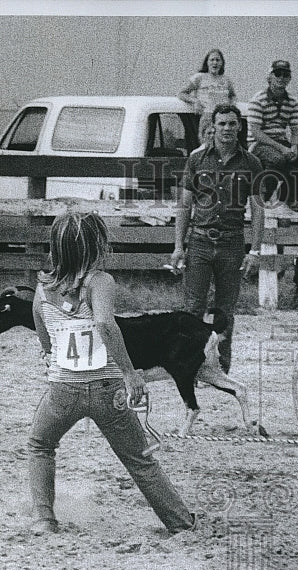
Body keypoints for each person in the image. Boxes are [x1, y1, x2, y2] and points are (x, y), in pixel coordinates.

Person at [29, 211, 196, 537]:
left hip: (63, 389)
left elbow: (44, 333)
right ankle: (181, 523)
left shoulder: (43, 288)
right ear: (95, 246)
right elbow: (105, 324)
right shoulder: (100, 282)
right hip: (108, 390)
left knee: (40, 445)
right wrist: (132, 375)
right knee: (139, 459)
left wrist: (51, 355)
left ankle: (44, 519)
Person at [171, 103, 265, 374]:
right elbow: (185, 205)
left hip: (231, 243)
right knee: (193, 308)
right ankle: (191, 364)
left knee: (224, 311)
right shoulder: (197, 159)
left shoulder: (251, 163)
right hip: (199, 242)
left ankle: (220, 368)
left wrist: (255, 251)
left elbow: (258, 209)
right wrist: (179, 246)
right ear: (212, 127)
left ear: (239, 127)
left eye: (232, 124)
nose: (226, 129)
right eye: (221, 123)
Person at [247, 59, 298, 212]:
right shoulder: (258, 99)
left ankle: (288, 196)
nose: (281, 78)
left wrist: (294, 147)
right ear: (270, 76)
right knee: (277, 159)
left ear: (289, 78)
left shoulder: (292, 101)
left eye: (285, 75)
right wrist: (283, 149)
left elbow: (296, 129)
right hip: (257, 143)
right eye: (277, 73)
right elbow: (256, 132)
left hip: (281, 141)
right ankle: (263, 195)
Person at [178, 48, 237, 143]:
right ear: (207, 62)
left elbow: (232, 96)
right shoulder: (199, 78)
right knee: (208, 146)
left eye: (218, 60)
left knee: (224, 145)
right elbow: (182, 93)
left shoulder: (226, 80)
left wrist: (231, 108)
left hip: (223, 118)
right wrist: (195, 101)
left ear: (222, 63)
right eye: (212, 60)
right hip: (207, 117)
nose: (215, 63)